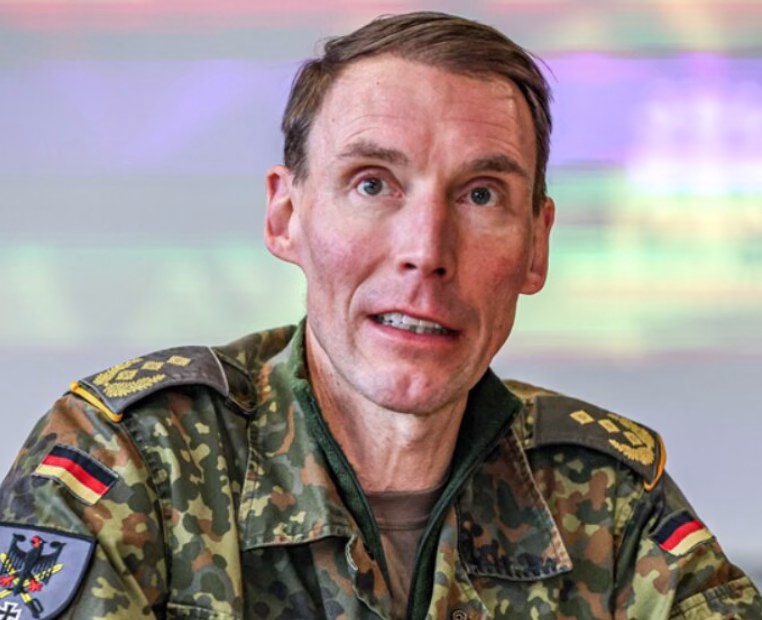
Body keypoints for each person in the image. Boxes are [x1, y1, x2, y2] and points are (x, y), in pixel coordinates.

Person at [0, 11, 759, 620]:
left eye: (481, 195)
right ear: (286, 216)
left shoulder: (606, 498)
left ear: (537, 246)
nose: (426, 251)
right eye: (372, 184)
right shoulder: (131, 459)